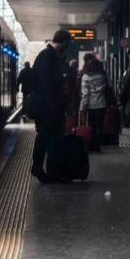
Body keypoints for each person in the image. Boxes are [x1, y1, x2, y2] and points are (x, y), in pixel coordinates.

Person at [29, 29, 73, 183]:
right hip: (48, 108)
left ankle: (47, 170)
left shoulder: (47, 56)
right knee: (49, 138)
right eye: (68, 44)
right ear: (64, 42)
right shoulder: (48, 57)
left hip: (47, 107)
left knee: (49, 138)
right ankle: (42, 168)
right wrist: (59, 104)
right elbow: (49, 84)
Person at [79, 57, 109, 150]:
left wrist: (82, 107)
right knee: (99, 126)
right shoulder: (103, 77)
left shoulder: (85, 77)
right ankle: (97, 145)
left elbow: (85, 94)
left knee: (91, 126)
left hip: (90, 105)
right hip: (102, 104)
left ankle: (91, 145)